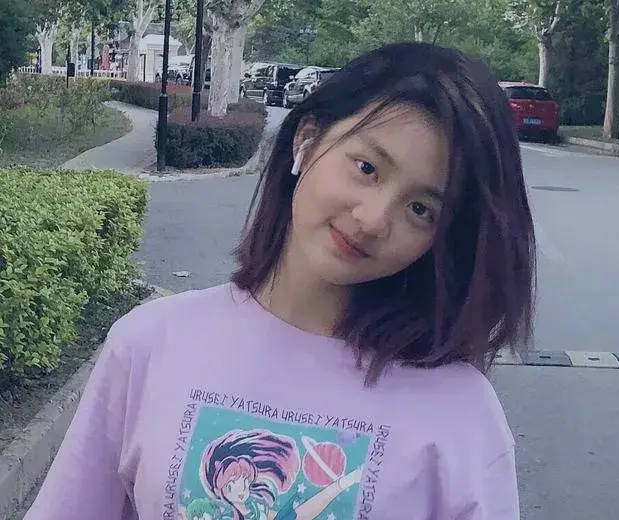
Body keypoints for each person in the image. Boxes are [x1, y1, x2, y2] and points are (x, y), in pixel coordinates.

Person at [24, 41, 535, 520]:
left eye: (421, 209)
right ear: (307, 141)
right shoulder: (149, 344)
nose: (373, 219)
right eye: (367, 168)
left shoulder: (461, 414)